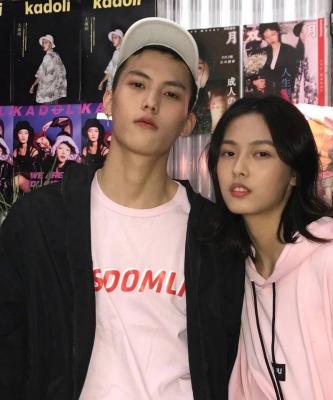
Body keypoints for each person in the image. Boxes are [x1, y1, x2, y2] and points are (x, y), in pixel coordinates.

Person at [0, 17, 244, 399]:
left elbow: (228, 358)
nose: (151, 101)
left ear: (187, 122)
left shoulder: (213, 235)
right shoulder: (38, 223)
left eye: (170, 93)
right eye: (138, 84)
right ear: (109, 100)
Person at [207, 95, 333, 399]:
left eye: (261, 154)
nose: (238, 169)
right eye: (228, 153)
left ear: (295, 173)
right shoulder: (239, 270)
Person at [253, 23, 296, 99]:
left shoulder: (290, 51)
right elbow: (247, 75)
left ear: (278, 32)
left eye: (273, 34)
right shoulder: (261, 53)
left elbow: (295, 75)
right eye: (267, 37)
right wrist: (255, 82)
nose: (271, 39)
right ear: (263, 38)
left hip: (285, 96)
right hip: (264, 97)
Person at [29, 34, 67, 104]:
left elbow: (40, 73)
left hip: (47, 94)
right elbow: (63, 72)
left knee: (47, 110)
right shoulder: (56, 55)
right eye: (43, 43)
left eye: (46, 42)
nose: (43, 44)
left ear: (51, 44)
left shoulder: (47, 57)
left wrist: (33, 85)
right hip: (55, 93)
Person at [291, 21, 317, 104]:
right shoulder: (296, 52)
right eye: (301, 32)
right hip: (300, 89)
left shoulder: (316, 49)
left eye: (306, 31)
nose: (304, 35)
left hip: (313, 89)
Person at [12, 120, 38, 193]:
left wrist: (20, 175)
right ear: (17, 135)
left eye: (26, 133)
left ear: (29, 135)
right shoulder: (15, 151)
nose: (23, 136)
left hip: (32, 183)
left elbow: (36, 173)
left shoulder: (33, 151)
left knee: (17, 179)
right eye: (20, 133)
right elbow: (13, 170)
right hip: (17, 181)